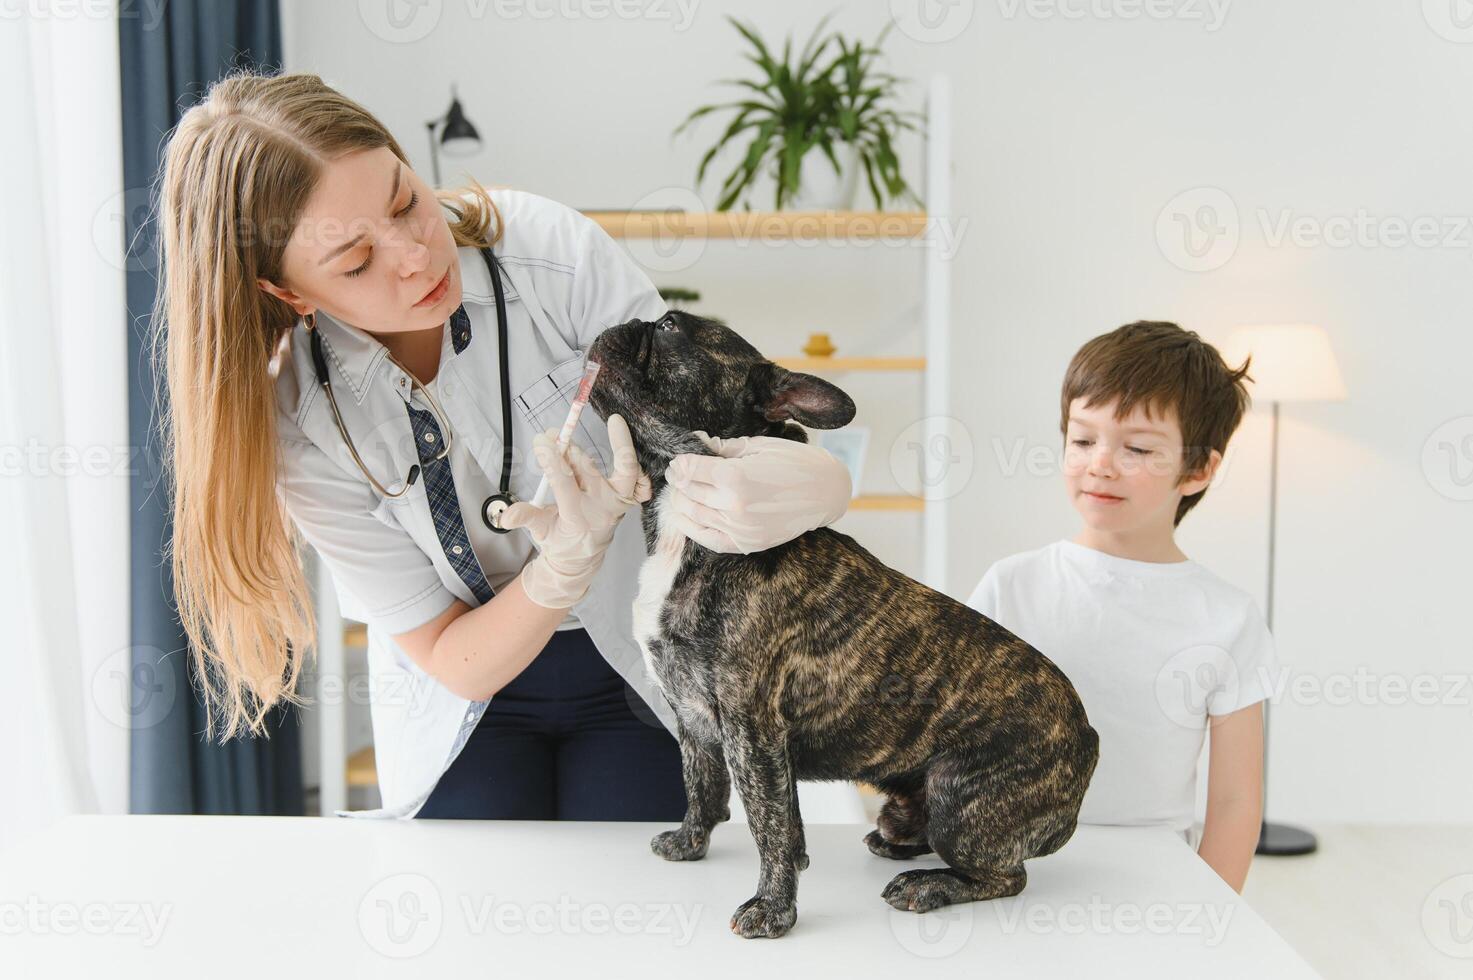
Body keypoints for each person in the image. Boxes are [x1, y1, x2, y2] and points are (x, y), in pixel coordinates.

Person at [152, 69, 852, 820]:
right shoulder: (298, 421)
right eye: (356, 261)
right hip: (470, 697)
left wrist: (814, 479)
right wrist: (560, 568)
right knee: (483, 897)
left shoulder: (548, 254)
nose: (416, 256)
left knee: (638, 892)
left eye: (405, 202)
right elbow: (454, 659)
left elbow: (706, 411)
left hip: (645, 667)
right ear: (288, 294)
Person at [965, 321, 1277, 893]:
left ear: (1199, 469)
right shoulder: (1012, 586)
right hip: (1010, 862)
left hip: (1153, 867)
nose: (1100, 464)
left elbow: (1235, 800)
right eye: (1083, 440)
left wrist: (1210, 917)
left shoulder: (1227, 617)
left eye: (1136, 448)